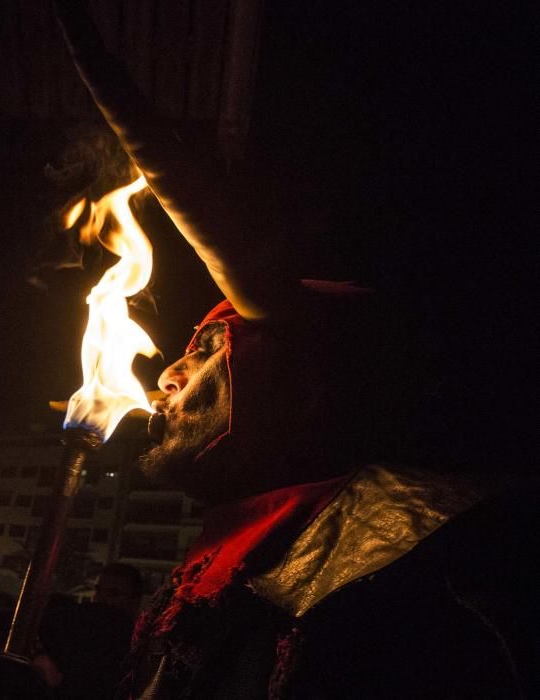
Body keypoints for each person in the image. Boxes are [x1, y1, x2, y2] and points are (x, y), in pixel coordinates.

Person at [52, 1, 539, 697]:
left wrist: (106, 77)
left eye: (204, 351)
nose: (165, 375)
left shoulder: (433, 555)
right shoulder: (214, 571)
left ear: (295, 385)